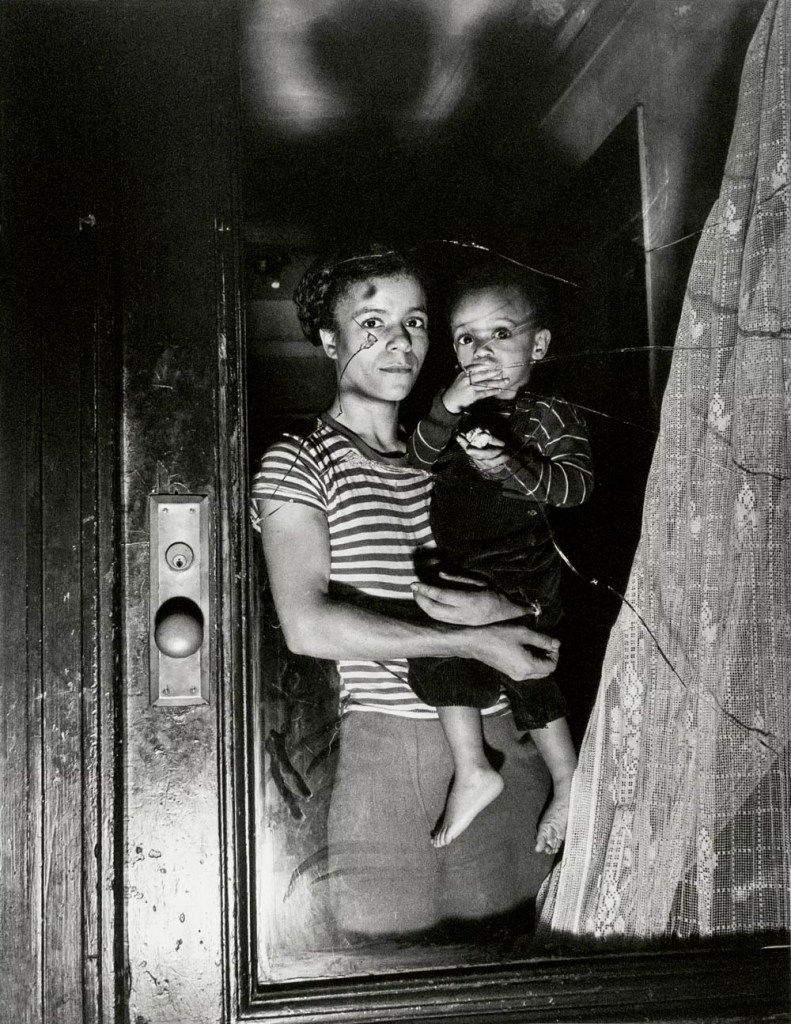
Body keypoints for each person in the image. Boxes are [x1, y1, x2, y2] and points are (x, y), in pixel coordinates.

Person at [250, 244, 561, 939]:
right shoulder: (300, 462)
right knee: (378, 954)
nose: (400, 342)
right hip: (385, 746)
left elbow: (535, 581)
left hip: (504, 739)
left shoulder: (458, 453)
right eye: (372, 323)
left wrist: (510, 612)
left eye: (415, 322)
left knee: (513, 958)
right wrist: (473, 640)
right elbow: (307, 625)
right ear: (329, 340)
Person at [407, 258, 593, 850]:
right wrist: (447, 403)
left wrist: (514, 465)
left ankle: (567, 779)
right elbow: (419, 457)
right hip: (463, 568)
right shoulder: (453, 408)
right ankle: (472, 768)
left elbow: (577, 487)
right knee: (435, 648)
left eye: (501, 333)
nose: (482, 351)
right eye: (467, 338)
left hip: (525, 575)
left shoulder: (549, 413)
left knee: (528, 665)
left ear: (538, 346)